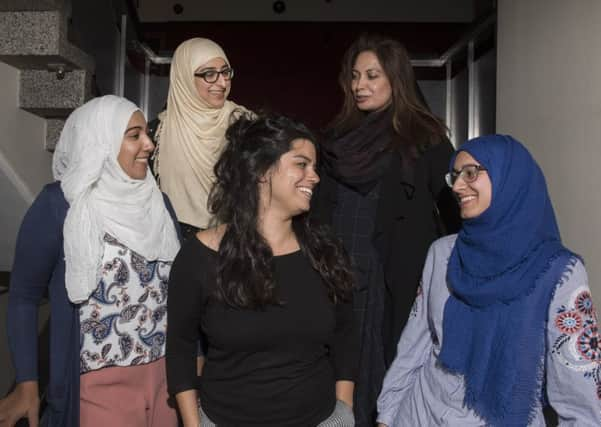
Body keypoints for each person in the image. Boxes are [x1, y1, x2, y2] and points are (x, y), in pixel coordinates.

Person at [377, 135, 601, 426]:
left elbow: (580, 395)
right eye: (454, 175)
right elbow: (415, 343)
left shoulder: (559, 271)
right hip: (419, 414)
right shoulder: (442, 253)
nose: (457, 186)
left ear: (510, 177)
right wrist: (388, 414)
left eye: (470, 173)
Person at [166, 113, 358, 426]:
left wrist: (343, 412)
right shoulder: (199, 257)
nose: (315, 176)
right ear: (261, 171)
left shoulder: (326, 252)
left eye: (314, 166)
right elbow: (181, 347)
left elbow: (346, 337)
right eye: (301, 164)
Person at [0, 95, 181, 427]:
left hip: (165, 384)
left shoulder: (159, 204)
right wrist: (27, 383)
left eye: (147, 134)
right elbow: (24, 298)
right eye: (134, 135)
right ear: (100, 142)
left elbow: (181, 293)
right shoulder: (60, 205)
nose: (149, 144)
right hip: (98, 389)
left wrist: (194, 355)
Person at [312, 33, 460, 426]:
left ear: (395, 79)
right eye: (355, 76)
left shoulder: (425, 138)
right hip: (336, 273)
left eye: (372, 75)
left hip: (391, 279)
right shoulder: (335, 140)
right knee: (333, 372)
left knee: (386, 372)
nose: (360, 85)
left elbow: (454, 213)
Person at [151, 37, 251, 241]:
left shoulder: (246, 126)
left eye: (225, 72)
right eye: (209, 74)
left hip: (234, 243)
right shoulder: (156, 133)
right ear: (185, 77)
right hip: (175, 242)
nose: (222, 82)